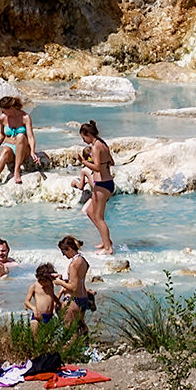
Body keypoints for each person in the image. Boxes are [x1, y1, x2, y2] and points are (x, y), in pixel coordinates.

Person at [77, 120, 117, 253]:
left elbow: (97, 168)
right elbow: (111, 162)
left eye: (84, 137)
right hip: (107, 182)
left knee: (99, 217)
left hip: (102, 184)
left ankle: (108, 248)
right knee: (90, 212)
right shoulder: (103, 143)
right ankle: (106, 241)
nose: (84, 141)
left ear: (88, 134)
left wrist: (83, 161)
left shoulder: (95, 147)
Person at [0, 95, 38, 188]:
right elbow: (2, 134)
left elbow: (30, 136)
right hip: (10, 147)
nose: (2, 112)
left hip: (23, 149)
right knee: (5, 150)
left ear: (11, 108)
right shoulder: (3, 118)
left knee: (21, 136)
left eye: (4, 110)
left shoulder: (25, 117)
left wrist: (32, 151)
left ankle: (17, 170)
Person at [56, 235, 95, 329]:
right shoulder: (83, 260)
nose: (63, 255)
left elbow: (73, 287)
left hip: (73, 300)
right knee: (81, 327)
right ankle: (86, 343)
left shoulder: (74, 264)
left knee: (69, 330)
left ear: (69, 249)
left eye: (63, 251)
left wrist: (59, 282)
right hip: (83, 298)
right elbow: (78, 280)